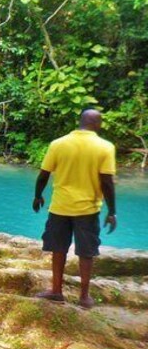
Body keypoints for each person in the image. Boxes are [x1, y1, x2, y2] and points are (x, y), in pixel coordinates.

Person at [33, 109, 117, 309]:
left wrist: (37, 196)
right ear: (97, 124)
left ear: (80, 122)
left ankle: (56, 291)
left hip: (60, 206)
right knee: (86, 252)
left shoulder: (58, 144)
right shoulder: (105, 147)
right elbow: (107, 182)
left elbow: (43, 175)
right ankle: (84, 297)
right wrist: (112, 211)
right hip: (87, 209)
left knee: (58, 248)